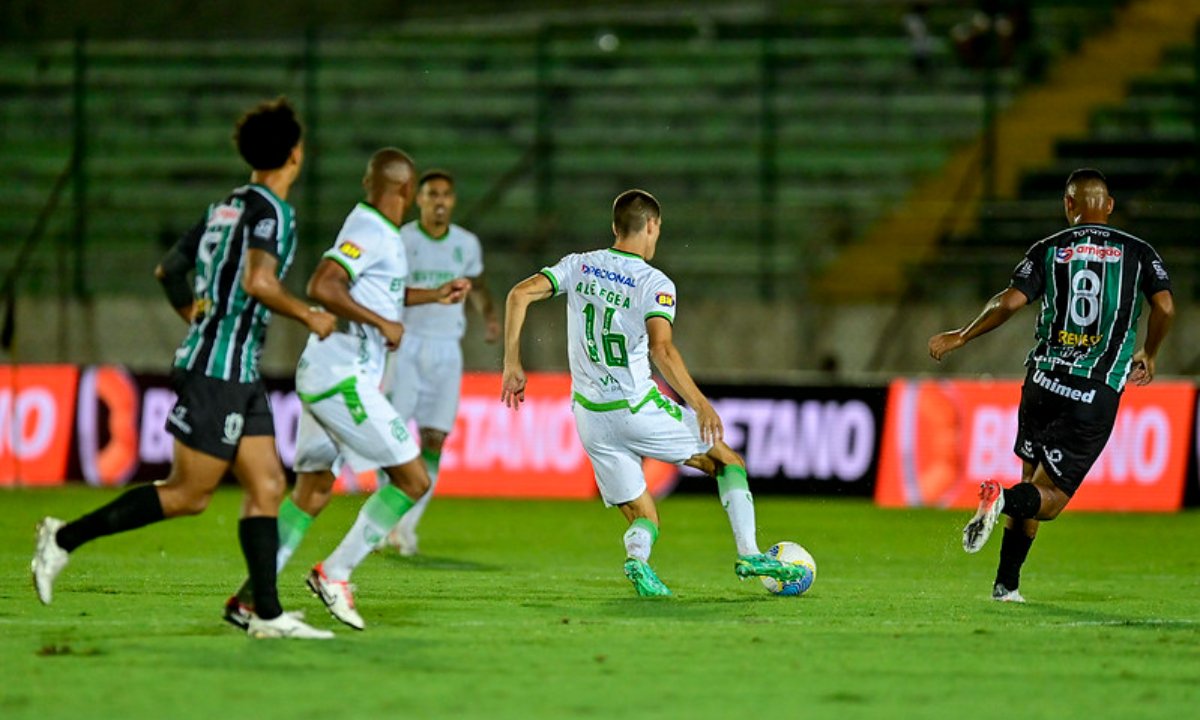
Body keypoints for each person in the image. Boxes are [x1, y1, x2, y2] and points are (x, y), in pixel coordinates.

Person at [31, 98, 338, 639]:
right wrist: (310, 315)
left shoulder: (225, 207)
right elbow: (258, 283)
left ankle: (262, 614)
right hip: (217, 372)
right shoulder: (272, 211)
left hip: (235, 369)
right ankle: (62, 539)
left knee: (267, 485)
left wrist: (197, 317)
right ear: (295, 154)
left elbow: (168, 270)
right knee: (188, 495)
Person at [500, 189, 806, 596]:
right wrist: (699, 404)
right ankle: (749, 553)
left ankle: (638, 561)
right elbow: (662, 348)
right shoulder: (654, 282)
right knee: (727, 461)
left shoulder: (579, 265)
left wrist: (511, 364)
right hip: (636, 406)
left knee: (643, 513)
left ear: (614, 227)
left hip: (591, 417)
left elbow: (518, 294)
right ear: (652, 226)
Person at [222, 148, 470, 631]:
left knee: (313, 492)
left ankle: (249, 600)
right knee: (413, 479)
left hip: (327, 374)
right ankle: (334, 574)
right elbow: (324, 284)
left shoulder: (380, 231)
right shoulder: (371, 230)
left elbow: (379, 292)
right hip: (342, 377)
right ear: (405, 191)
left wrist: (432, 296)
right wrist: (383, 324)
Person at [929, 168, 1174, 602]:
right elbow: (1166, 308)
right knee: (1051, 499)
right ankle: (999, 500)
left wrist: (962, 335)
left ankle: (1006, 586)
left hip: (1042, 380)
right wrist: (1150, 352)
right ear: (1110, 206)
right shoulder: (1139, 252)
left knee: (1031, 482)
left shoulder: (1049, 249)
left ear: (1068, 205)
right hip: (1092, 391)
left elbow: (1008, 301)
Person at [378, 169, 500, 556]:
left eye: (446, 194)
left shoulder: (466, 244)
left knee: (435, 440)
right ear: (419, 199)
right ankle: (382, 521)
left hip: (448, 349)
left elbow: (477, 284)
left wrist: (490, 316)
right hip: (408, 347)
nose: (440, 202)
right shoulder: (402, 240)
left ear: (454, 200)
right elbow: (389, 291)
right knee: (394, 438)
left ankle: (404, 528)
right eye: (432, 194)